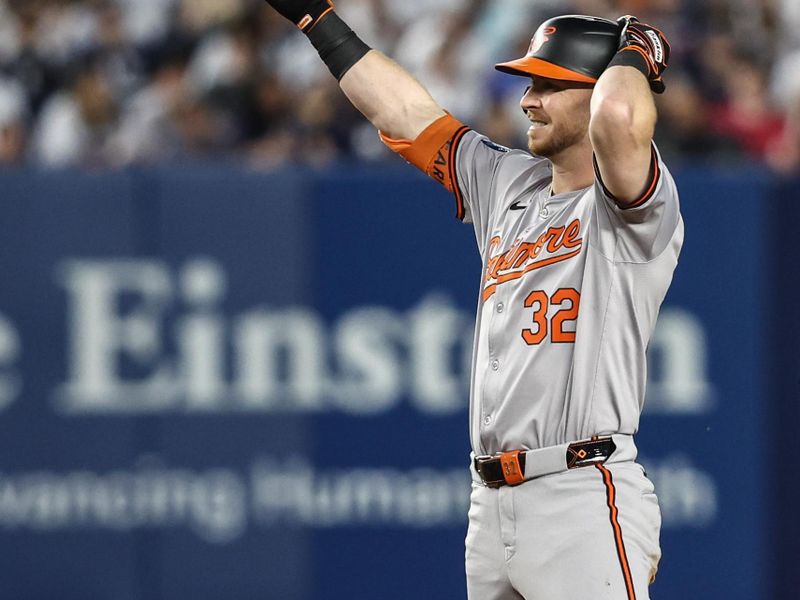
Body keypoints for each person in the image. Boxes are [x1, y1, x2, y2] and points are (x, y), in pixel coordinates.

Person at [262, 2, 683, 599]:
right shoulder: (507, 182)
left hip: (581, 491)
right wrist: (315, 17)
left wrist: (636, 50)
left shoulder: (634, 209)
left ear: (594, 92)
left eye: (549, 84)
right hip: (489, 504)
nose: (527, 99)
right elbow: (404, 112)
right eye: (530, 82)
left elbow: (617, 117)